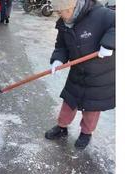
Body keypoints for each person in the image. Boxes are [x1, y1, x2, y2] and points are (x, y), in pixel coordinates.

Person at [45, 0, 115, 150]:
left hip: (101, 73)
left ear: (71, 7)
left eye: (60, 11)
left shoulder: (101, 14)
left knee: (92, 107)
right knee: (69, 101)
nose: (58, 15)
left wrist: (109, 43)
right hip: (78, 70)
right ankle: (62, 127)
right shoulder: (64, 23)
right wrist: (58, 59)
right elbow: (61, 45)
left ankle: (86, 133)